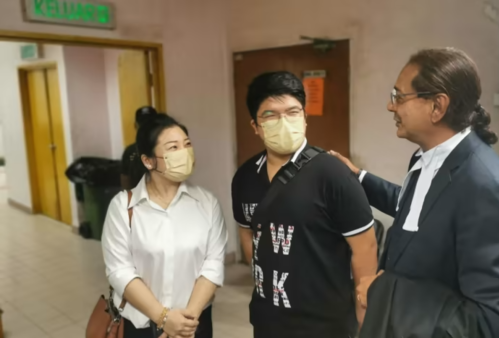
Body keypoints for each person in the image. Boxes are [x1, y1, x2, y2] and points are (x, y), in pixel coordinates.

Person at [330, 47, 499, 337]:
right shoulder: (427, 157)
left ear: (437, 106)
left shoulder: (490, 189)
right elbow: (418, 211)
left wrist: (384, 292)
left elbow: (491, 324)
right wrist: (358, 177)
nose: (391, 107)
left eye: (398, 96)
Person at [231, 71, 378, 338]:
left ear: (305, 118)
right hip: (267, 318)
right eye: (270, 115)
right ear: (255, 126)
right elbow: (247, 232)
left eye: (292, 112)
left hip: (324, 322)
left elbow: (364, 246)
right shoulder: (244, 177)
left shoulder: (332, 174)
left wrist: (362, 311)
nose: (283, 121)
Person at [102, 114, 227, 338]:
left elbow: (213, 264)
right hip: (140, 326)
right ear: (148, 161)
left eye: (187, 144)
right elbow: (119, 271)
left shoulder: (207, 204)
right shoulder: (123, 207)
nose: (184, 152)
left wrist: (185, 323)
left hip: (194, 324)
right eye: (173, 147)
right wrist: (164, 318)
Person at [121, 106, 158, 190]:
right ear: (136, 125)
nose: (146, 127)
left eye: (150, 123)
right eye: (142, 123)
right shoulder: (130, 151)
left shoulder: (165, 148)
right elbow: (125, 179)